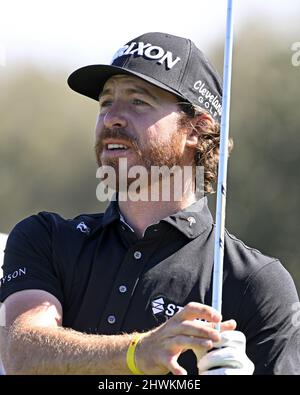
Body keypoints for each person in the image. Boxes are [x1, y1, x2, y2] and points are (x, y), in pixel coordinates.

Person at [0, 32, 299, 375]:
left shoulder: (255, 282)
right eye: (106, 101)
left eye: (138, 101)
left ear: (196, 130)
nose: (112, 116)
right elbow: (22, 354)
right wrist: (137, 353)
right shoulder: (46, 239)